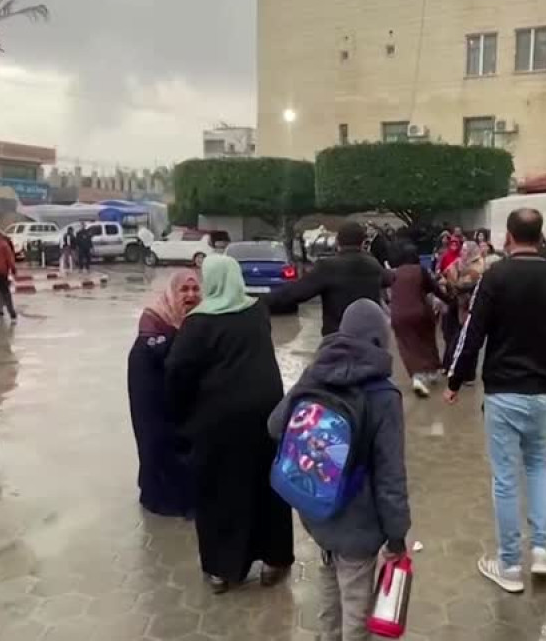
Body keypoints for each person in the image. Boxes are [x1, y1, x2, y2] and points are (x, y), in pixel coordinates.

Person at [445, 208, 546, 593]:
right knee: (537, 468)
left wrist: (456, 379)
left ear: (508, 236)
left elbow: (473, 333)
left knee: (506, 480)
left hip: (504, 392)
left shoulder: (496, 276)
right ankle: (541, 551)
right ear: (542, 235)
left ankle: (508, 565)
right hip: (542, 392)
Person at [267, 299, 410, 640]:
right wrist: (397, 533)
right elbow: (391, 476)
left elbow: (275, 425)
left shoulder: (318, 371)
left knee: (330, 581)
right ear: (379, 340)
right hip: (359, 524)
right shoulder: (384, 395)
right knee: (357, 605)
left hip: (317, 508)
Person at [165, 255, 293, 593]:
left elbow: (177, 374)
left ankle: (224, 569)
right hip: (266, 413)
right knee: (268, 486)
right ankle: (275, 560)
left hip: (218, 421)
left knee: (219, 491)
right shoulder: (256, 311)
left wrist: (180, 419)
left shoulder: (199, 322)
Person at [127, 269, 202, 517]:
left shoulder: (196, 320)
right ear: (172, 292)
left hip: (177, 386)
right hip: (150, 386)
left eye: (195, 289)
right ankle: (158, 498)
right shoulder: (154, 318)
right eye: (184, 289)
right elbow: (157, 354)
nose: (190, 295)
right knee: (155, 439)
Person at [265, 222, 393, 337]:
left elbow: (296, 293)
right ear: (363, 242)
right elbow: (389, 279)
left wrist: (259, 301)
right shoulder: (372, 264)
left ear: (338, 241)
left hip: (338, 338)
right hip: (371, 338)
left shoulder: (328, 266)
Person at [388, 244, 451, 398]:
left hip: (398, 315)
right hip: (420, 312)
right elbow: (435, 289)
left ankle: (417, 377)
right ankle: (433, 371)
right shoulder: (420, 271)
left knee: (407, 345)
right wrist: (450, 300)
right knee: (427, 340)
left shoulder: (393, 274)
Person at [440, 240, 486, 382]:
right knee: (449, 335)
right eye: (463, 250)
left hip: (468, 307)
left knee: (466, 340)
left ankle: (467, 374)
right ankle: (448, 365)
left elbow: (463, 284)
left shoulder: (477, 266)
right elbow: (444, 273)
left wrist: (448, 281)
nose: (462, 253)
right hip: (454, 304)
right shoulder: (459, 262)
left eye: (466, 250)